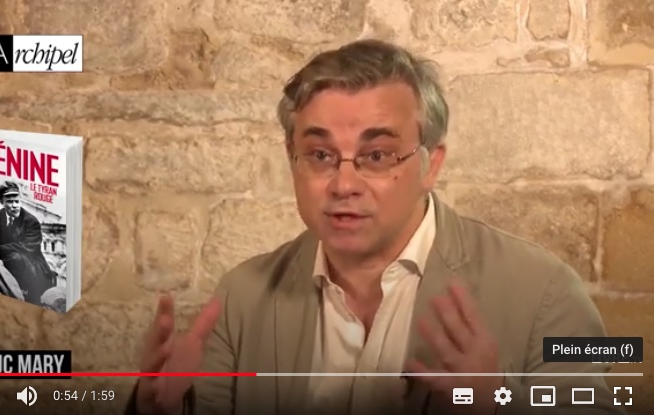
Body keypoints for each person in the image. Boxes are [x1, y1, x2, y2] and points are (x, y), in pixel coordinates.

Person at [126, 39, 625, 415]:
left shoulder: (548, 292)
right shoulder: (242, 297)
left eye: (378, 155)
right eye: (320, 155)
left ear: (430, 164)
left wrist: (498, 401)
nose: (344, 183)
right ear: (292, 158)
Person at [0, 181, 57, 306]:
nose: (15, 206)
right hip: (7, 260)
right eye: (10, 202)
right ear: (2, 202)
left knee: (15, 258)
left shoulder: (31, 221)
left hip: (30, 265)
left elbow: (27, 248)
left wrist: (0, 251)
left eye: (17, 201)